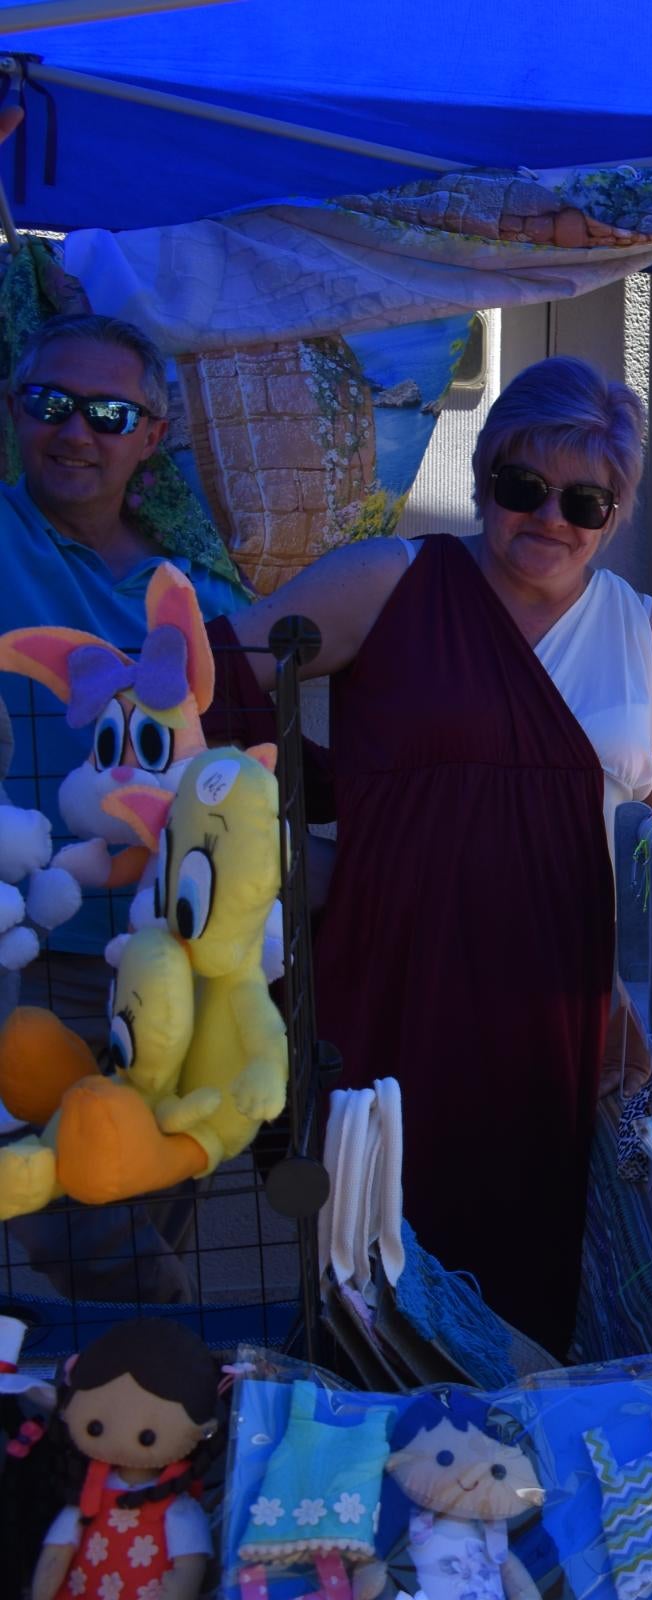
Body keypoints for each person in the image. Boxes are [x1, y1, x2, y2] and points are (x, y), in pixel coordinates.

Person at [232, 356, 652, 1353]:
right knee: (376, 1273)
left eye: (585, 499)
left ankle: (513, 1500)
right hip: (400, 991)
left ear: (616, 512)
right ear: (486, 471)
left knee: (544, 1292)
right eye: (521, 486)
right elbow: (225, 677)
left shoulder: (648, 635)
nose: (550, 517)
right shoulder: (394, 581)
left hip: (568, 1021)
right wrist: (310, 841)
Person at [0, 313, 254, 1303]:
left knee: (151, 1205)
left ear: (152, 435)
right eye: (50, 404)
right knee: (90, 1230)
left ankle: (122, 1439)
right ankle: (152, 1397)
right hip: (38, 956)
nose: (76, 432)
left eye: (108, 413)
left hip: (178, 958)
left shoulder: (193, 583)